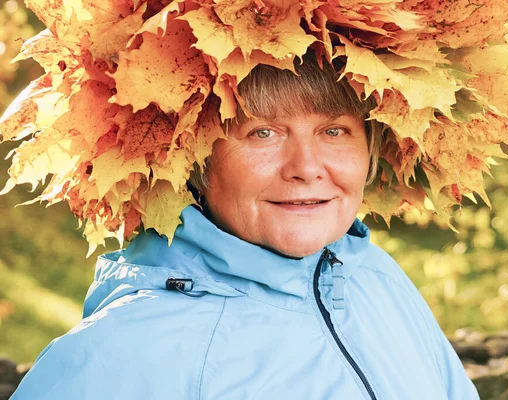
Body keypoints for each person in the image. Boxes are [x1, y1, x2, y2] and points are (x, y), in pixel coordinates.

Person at [9, 53, 480, 399]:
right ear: (191, 159)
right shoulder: (121, 355)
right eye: (263, 132)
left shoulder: (376, 279)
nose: (306, 167)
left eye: (333, 131)